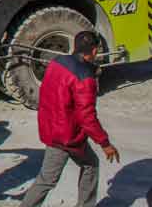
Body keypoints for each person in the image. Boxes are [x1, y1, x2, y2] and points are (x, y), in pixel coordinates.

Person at [20, 31, 120, 207]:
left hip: (51, 127)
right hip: (67, 136)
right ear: (95, 50)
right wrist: (105, 143)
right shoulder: (84, 79)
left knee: (86, 165)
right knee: (49, 179)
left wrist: (91, 70)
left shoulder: (57, 62)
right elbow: (87, 117)